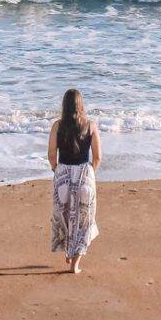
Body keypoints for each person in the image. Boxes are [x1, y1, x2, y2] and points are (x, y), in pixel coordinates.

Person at [48, 88, 101, 274]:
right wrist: (87, 174)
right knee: (84, 220)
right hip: (85, 175)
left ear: (64, 105)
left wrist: (58, 171)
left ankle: (68, 252)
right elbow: (97, 157)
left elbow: (51, 156)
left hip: (63, 175)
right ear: (81, 105)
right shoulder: (91, 125)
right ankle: (75, 264)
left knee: (63, 216)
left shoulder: (57, 126)